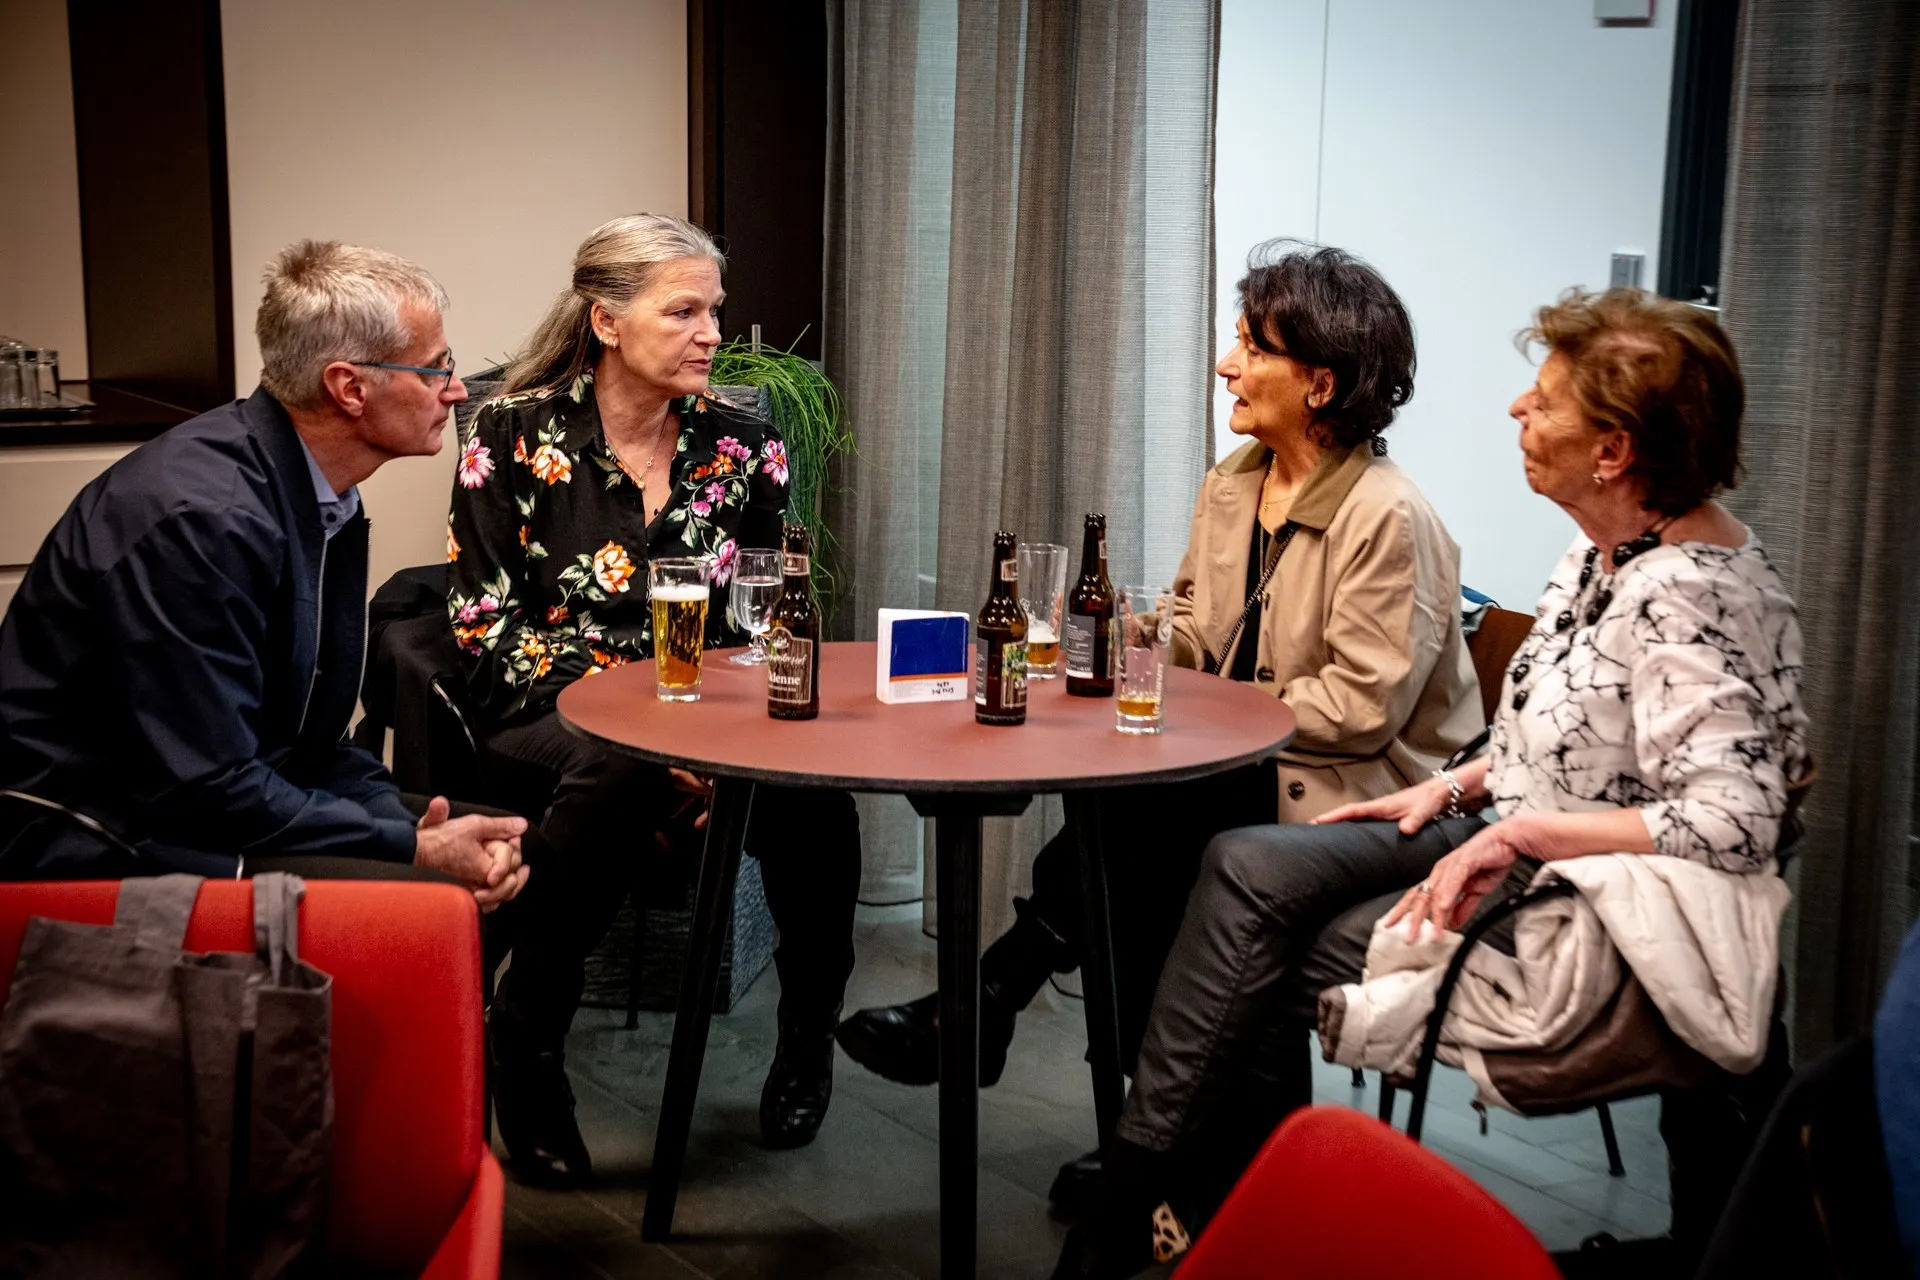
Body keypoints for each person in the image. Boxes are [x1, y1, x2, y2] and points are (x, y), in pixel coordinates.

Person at [1056, 287, 1812, 1278]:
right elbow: (1574, 741)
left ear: (1616, 450)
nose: (1514, 412)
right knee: (1236, 863)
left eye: (1542, 403)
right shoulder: (1604, 549)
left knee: (1257, 923)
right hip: (1493, 825)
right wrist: (1456, 792)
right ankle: (1171, 1197)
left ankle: (1148, 1202)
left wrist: (1514, 831)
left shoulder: (1696, 593)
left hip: (1586, 899)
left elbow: (1736, 820)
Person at [836, 242, 1481, 1200]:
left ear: (1321, 382)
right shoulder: (1236, 481)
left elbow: (1360, 709)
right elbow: (1190, 628)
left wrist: (1191, 712)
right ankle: (1146, 1130)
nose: (1227, 365)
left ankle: (1007, 1018)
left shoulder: (1390, 518)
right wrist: (1122, 635)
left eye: (1250, 347)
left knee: (1143, 829)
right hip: (1238, 766)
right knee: (1131, 825)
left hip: (1358, 797)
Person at [449, 213, 861, 1186]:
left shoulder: (746, 444)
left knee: (816, 797)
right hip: (550, 703)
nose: (712, 331)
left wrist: (731, 745)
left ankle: (808, 1039)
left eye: (714, 309)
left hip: (708, 718)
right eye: (683, 310)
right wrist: (636, 714)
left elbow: (769, 615)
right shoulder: (512, 432)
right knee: (623, 763)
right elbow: (482, 622)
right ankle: (530, 1044)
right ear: (606, 319)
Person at [0, 240, 528, 912]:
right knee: (432, 895)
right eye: (433, 369)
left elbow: (307, 739)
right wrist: (411, 848)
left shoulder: (323, 493)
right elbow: (204, 787)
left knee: (503, 839)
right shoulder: (199, 520)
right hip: (94, 834)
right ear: (350, 388)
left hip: (211, 795)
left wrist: (391, 819)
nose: (455, 391)